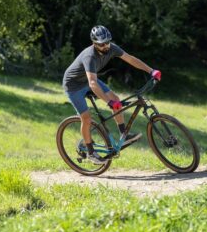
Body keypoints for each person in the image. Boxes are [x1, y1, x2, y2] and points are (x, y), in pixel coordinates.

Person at [63, 25, 161, 165]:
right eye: (101, 44)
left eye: (107, 42)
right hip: (73, 86)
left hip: (89, 79)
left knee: (116, 99)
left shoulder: (112, 48)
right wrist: (108, 103)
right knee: (86, 117)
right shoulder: (89, 56)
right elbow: (92, 83)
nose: (105, 46)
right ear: (94, 43)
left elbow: (131, 59)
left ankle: (124, 135)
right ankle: (91, 152)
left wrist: (151, 71)